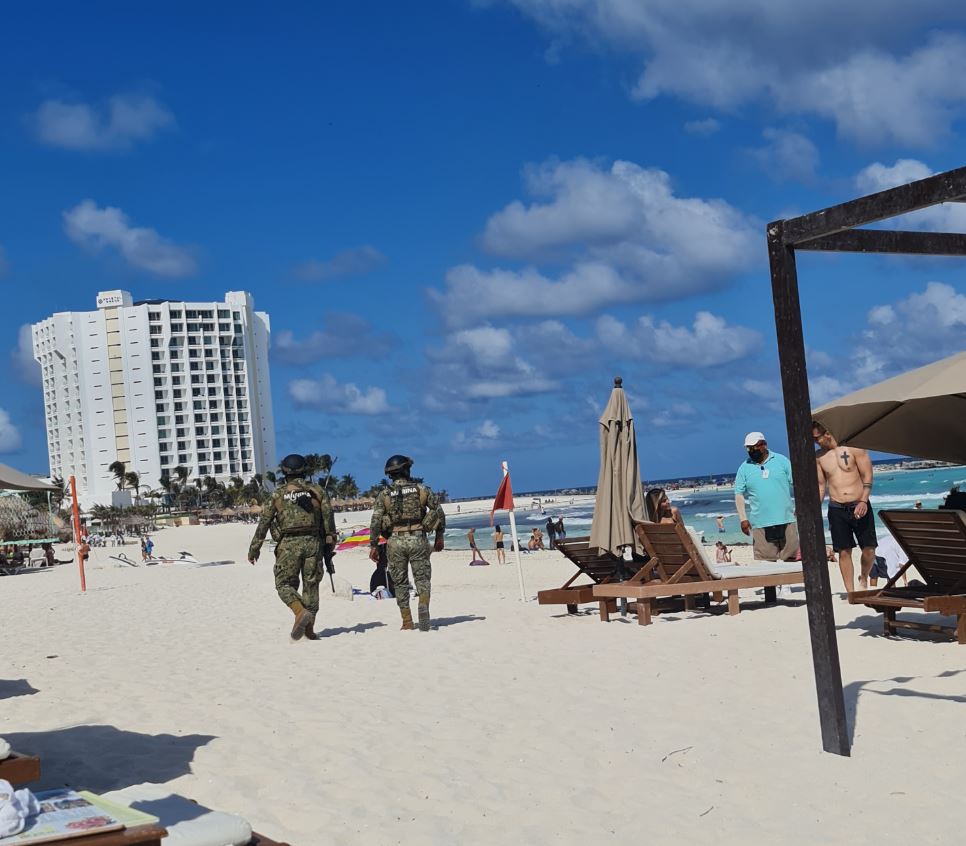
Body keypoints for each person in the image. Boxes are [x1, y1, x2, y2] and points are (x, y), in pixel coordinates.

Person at [248, 453, 336, 641]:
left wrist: (254, 548)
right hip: (313, 543)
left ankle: (299, 611)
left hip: (288, 544)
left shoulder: (278, 494)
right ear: (304, 471)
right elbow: (329, 520)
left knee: (283, 584)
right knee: (311, 586)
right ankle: (309, 629)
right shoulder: (318, 491)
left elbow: (264, 523)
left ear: (285, 472)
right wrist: (329, 544)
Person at [369, 455, 445, 632]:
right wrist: (439, 536)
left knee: (400, 583)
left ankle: (407, 621)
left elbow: (375, 521)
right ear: (407, 470)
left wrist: (373, 545)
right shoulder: (421, 490)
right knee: (422, 578)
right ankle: (423, 604)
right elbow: (438, 512)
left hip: (395, 540)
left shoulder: (385, 495)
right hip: (418, 538)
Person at [813, 421, 876, 593]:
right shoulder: (819, 457)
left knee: (869, 549)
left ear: (827, 433)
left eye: (816, 438)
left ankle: (864, 577)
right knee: (844, 551)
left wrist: (863, 500)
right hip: (836, 507)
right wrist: (814, 508)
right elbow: (820, 485)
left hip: (859, 504)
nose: (815, 442)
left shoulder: (854, 447)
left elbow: (867, 474)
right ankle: (851, 592)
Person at [734, 432, 799, 561]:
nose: (751, 451)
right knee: (765, 564)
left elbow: (798, 485)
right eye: (748, 448)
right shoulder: (744, 468)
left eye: (754, 447)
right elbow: (738, 494)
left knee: (792, 561)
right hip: (760, 524)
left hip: (787, 520)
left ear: (764, 445)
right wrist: (743, 519)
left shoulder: (782, 461)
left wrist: (799, 507)